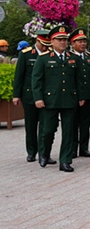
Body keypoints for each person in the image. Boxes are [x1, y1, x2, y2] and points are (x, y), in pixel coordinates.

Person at [32, 25, 85, 172]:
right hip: (50, 101)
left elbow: (79, 80)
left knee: (68, 132)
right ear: (52, 41)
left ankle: (65, 161)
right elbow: (36, 80)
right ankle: (44, 153)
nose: (63, 42)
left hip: (69, 100)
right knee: (48, 130)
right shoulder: (43, 59)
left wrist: (80, 96)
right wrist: (38, 98)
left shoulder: (73, 58)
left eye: (64, 40)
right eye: (59, 39)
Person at [13, 29, 50, 163]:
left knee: (45, 127)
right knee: (31, 125)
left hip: (46, 96)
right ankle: (31, 151)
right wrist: (16, 95)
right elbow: (19, 75)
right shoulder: (26, 54)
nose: (45, 46)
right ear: (37, 41)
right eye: (43, 43)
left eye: (47, 43)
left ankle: (44, 153)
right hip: (29, 96)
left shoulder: (50, 54)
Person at [69, 28, 90, 158]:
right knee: (73, 124)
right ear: (72, 43)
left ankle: (84, 148)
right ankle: (73, 148)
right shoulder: (70, 57)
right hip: (74, 98)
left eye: (84, 41)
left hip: (88, 97)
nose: (83, 44)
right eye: (79, 41)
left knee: (86, 124)